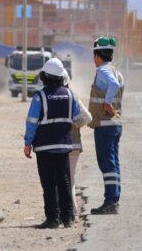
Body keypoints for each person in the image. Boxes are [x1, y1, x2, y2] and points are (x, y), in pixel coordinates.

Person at [24, 58, 81, 229]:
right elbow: (77, 118)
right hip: (64, 145)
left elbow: (32, 122)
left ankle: (52, 218)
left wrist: (28, 143)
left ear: (45, 76)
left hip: (44, 147)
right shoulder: (71, 95)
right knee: (64, 181)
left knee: (49, 184)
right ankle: (68, 218)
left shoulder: (40, 96)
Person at [88, 36, 125, 215]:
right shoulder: (115, 70)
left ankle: (110, 201)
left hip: (105, 124)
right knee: (113, 163)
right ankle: (114, 198)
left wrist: (107, 102)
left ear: (97, 55)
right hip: (115, 124)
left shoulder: (103, 71)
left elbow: (114, 84)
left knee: (107, 163)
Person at [66, 71, 92, 210]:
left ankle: (72, 211)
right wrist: (75, 125)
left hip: (62, 145)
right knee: (70, 179)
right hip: (75, 144)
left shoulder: (49, 97)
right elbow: (87, 118)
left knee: (65, 180)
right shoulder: (73, 96)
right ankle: (73, 210)